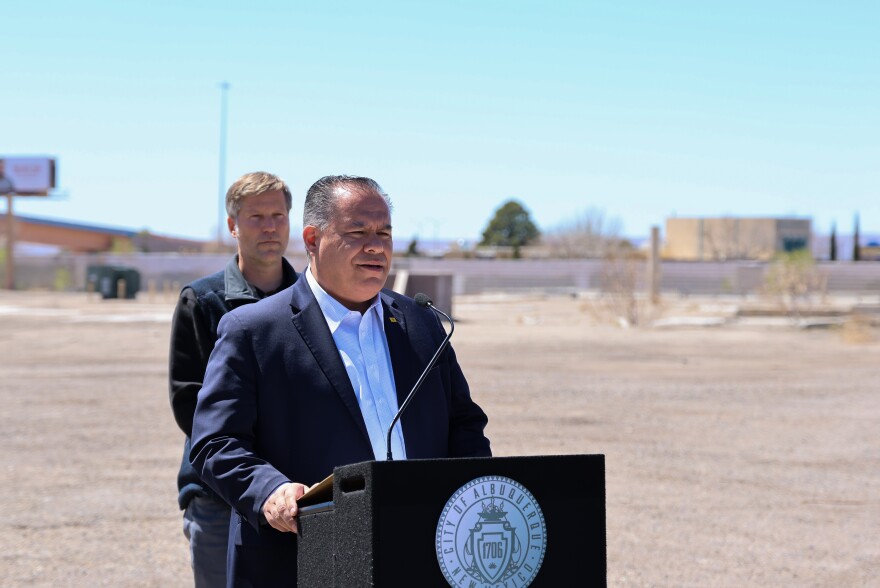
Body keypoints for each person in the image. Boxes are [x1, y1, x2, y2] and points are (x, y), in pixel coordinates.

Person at [190, 175, 491, 586]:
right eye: (358, 232)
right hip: (306, 558)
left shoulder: (421, 322)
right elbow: (215, 443)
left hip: (420, 550)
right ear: (312, 239)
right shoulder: (253, 331)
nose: (376, 246)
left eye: (384, 233)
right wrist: (269, 491)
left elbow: (464, 425)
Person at [169, 171, 298, 587]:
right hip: (221, 495)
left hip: (295, 494)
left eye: (278, 214)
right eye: (256, 216)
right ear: (232, 225)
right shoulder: (203, 301)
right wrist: (251, 471)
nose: (269, 226)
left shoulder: (313, 300)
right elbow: (190, 402)